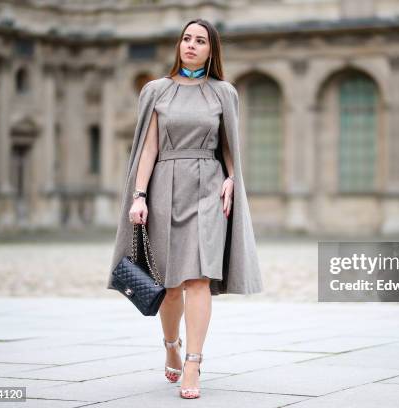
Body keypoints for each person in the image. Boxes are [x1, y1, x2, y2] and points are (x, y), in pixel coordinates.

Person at [107, 18, 263, 399]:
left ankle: (194, 362)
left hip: (209, 189)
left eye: (200, 41)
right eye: (187, 39)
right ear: (179, 45)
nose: (191, 45)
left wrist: (230, 178)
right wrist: (139, 196)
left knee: (198, 279)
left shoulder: (223, 93)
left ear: (212, 50)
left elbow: (230, 147)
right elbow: (148, 148)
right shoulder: (156, 91)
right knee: (171, 285)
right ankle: (171, 345)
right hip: (164, 188)